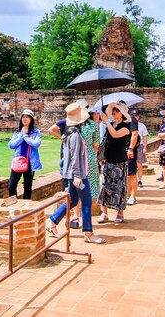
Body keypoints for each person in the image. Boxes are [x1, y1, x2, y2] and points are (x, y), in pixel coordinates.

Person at [47, 103, 104, 244]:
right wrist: (78, 176)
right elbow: (75, 158)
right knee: (86, 202)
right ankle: (88, 233)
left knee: (72, 200)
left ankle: (52, 222)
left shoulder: (68, 133)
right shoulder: (75, 135)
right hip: (79, 174)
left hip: (74, 173)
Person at [98, 102, 132, 223]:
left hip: (119, 161)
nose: (114, 112)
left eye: (117, 111)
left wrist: (106, 121)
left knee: (119, 188)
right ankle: (104, 212)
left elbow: (115, 134)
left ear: (122, 114)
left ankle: (120, 212)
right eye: (114, 111)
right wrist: (111, 106)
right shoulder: (111, 124)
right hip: (108, 160)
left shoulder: (126, 127)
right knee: (105, 186)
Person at [7, 109, 42, 199]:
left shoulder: (35, 132)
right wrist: (21, 136)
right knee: (11, 185)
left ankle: (25, 206)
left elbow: (36, 144)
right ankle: (13, 204)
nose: (24, 119)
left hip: (30, 163)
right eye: (23, 117)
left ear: (31, 119)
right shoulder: (17, 132)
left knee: (27, 187)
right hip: (18, 162)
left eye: (27, 117)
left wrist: (25, 136)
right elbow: (11, 145)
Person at [126, 105, 140, 206]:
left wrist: (131, 148)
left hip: (129, 150)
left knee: (131, 173)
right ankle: (127, 194)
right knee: (125, 174)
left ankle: (133, 196)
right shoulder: (119, 121)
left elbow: (135, 134)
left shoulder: (132, 120)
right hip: (120, 151)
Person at [131, 110, 148, 188]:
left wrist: (145, 147)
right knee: (131, 164)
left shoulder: (142, 126)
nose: (135, 117)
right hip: (131, 146)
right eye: (133, 115)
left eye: (136, 115)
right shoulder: (128, 125)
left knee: (139, 164)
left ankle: (139, 180)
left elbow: (144, 137)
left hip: (139, 146)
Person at [156, 103, 165, 181]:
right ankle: (163, 175)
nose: (161, 111)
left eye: (162, 110)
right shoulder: (163, 118)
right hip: (164, 141)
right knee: (163, 159)